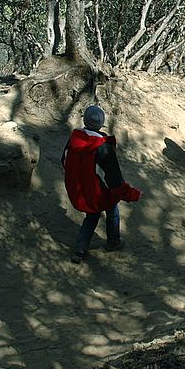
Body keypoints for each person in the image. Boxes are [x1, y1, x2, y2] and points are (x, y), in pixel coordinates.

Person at [61, 105, 142, 264]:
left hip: (79, 190)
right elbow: (114, 179)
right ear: (101, 123)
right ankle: (113, 242)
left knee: (92, 216)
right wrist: (133, 194)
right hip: (97, 191)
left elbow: (64, 161)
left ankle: (80, 250)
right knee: (112, 210)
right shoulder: (102, 147)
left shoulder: (74, 139)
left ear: (85, 120)